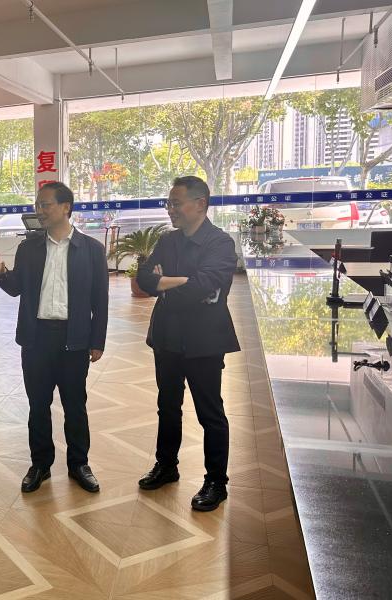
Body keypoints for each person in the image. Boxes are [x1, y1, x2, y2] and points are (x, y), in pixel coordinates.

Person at [0, 182, 109, 494]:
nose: (39, 210)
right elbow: (16, 288)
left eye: (46, 204)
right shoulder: (29, 248)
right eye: (38, 205)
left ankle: (79, 464)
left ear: (66, 207)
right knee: (38, 404)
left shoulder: (91, 250)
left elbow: (100, 300)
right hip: (37, 337)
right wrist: (2, 274)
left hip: (74, 338)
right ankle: (40, 464)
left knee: (75, 405)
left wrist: (97, 341)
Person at [136, 176, 240, 512]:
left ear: (200, 204)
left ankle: (216, 481)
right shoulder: (168, 240)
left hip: (204, 340)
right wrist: (183, 282)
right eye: (169, 203)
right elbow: (144, 279)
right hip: (166, 336)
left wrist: (167, 284)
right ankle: (166, 465)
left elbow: (206, 286)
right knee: (168, 406)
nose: (170, 209)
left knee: (210, 412)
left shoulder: (220, 243)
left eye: (176, 203)